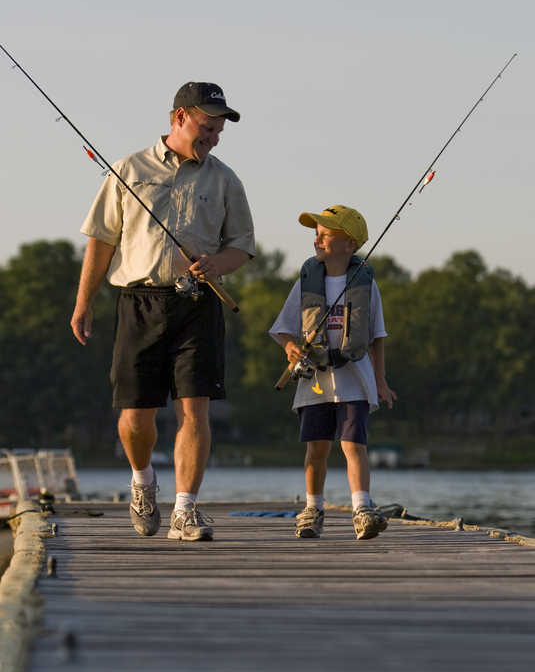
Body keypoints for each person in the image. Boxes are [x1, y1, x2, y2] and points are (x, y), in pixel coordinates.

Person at [71, 82, 255, 541]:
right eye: (206, 126)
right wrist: (83, 302)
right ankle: (142, 481)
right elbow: (101, 240)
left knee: (196, 410)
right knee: (136, 417)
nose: (213, 136)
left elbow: (242, 249)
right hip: (139, 302)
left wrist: (217, 263)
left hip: (199, 302)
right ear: (179, 117)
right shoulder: (128, 169)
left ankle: (185, 511)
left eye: (218, 130)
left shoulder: (226, 179)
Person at [269, 205, 396, 540]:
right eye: (316, 233)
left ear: (349, 244)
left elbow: (377, 338)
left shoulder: (367, 284)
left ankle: (362, 509)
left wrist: (381, 382)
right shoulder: (306, 281)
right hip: (314, 383)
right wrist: (289, 348)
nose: (317, 240)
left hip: (355, 380)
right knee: (317, 449)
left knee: (353, 445)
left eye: (326, 234)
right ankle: (313, 509)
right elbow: (282, 329)